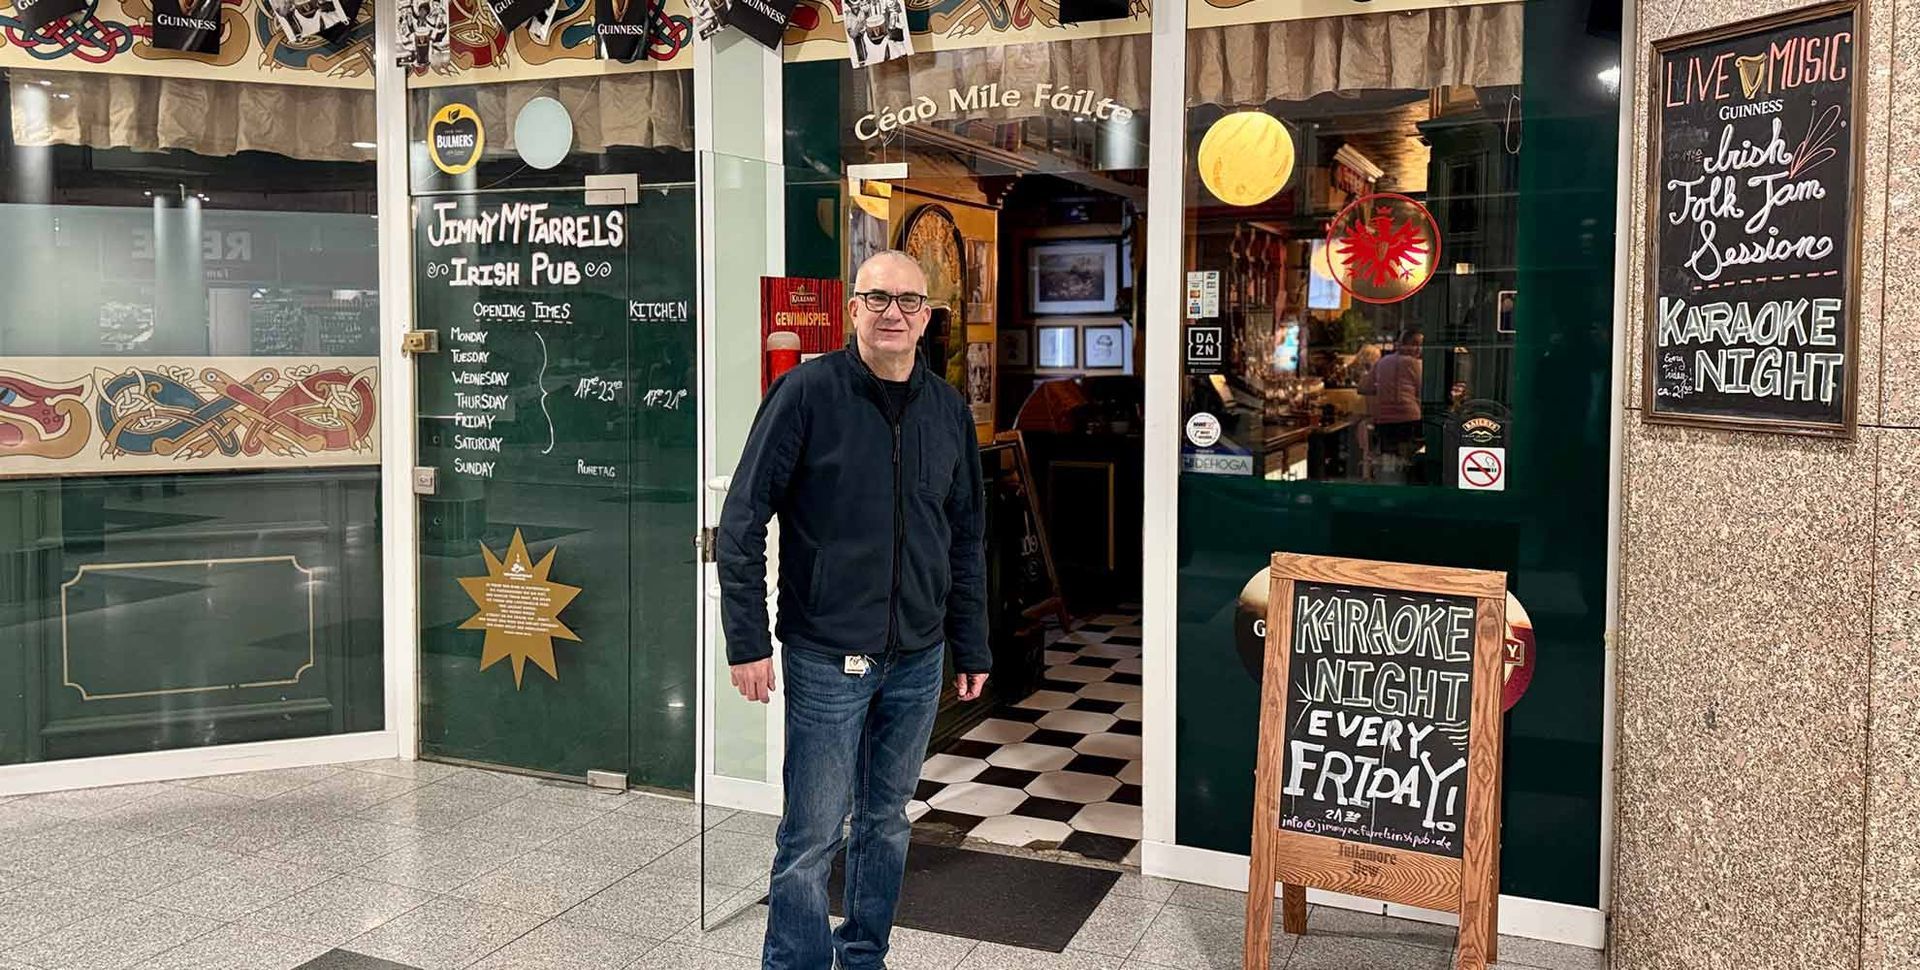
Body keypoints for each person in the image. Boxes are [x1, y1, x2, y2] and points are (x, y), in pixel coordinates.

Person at [718, 250, 990, 970]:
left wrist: (974, 644)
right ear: (853, 311)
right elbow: (743, 520)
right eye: (877, 299)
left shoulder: (947, 411)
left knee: (887, 823)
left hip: (917, 657)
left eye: (908, 301)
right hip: (824, 654)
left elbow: (965, 537)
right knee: (810, 836)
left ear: (928, 317)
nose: (893, 313)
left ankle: (864, 956)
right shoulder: (806, 394)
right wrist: (746, 640)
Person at [1370, 329, 1424, 479]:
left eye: (1421, 345)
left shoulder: (1382, 362)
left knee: (1388, 457)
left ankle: (1389, 481)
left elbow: (1364, 387)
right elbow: (1424, 391)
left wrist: (1382, 388)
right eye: (1415, 344)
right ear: (1403, 345)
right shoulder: (1416, 364)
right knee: (1409, 457)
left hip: (1383, 420)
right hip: (1409, 418)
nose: (1419, 349)